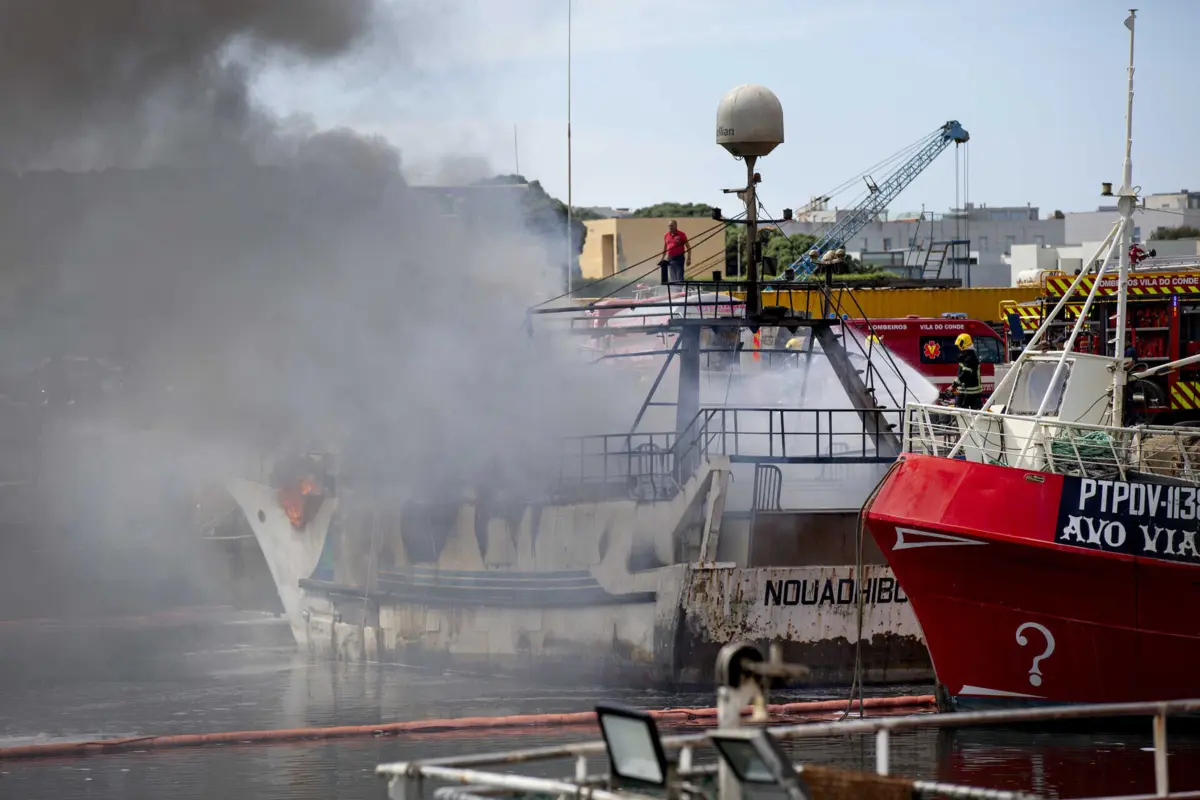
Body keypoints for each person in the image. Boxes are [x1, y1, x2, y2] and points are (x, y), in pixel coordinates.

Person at [952, 333, 984, 410]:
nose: (958, 347)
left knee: (962, 413)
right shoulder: (967, 356)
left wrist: (953, 386)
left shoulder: (970, 357)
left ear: (963, 344)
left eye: (959, 345)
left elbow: (965, 374)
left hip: (969, 393)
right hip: (967, 392)